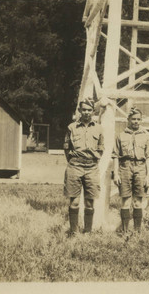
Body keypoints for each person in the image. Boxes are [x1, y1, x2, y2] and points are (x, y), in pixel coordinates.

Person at [63, 97, 104, 234]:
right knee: (74, 201)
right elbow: (66, 148)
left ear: (93, 111)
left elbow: (101, 148)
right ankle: (73, 232)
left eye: (89, 110)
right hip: (75, 166)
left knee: (89, 202)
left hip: (91, 168)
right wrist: (73, 160)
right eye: (84, 110)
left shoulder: (99, 128)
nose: (86, 112)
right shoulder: (71, 127)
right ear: (80, 111)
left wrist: (93, 160)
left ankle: (87, 232)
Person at [112, 107, 149, 234]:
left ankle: (137, 231)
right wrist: (115, 174)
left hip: (140, 168)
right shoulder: (121, 135)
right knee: (125, 200)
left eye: (138, 119)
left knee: (137, 202)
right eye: (133, 119)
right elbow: (115, 156)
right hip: (125, 167)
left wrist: (148, 176)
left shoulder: (146, 137)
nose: (136, 121)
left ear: (141, 120)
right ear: (128, 120)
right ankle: (124, 231)